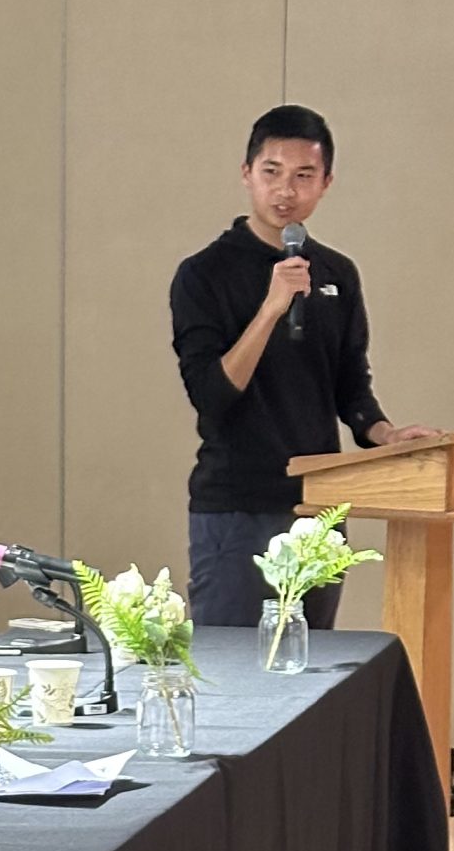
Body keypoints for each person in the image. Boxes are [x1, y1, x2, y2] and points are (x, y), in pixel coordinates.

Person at [170, 105, 436, 629]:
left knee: (307, 677)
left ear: (326, 183)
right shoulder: (204, 274)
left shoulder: (337, 273)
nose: (285, 190)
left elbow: (350, 387)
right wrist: (271, 307)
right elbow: (211, 395)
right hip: (237, 506)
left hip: (318, 506)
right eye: (271, 172)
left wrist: (384, 434)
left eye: (303, 176)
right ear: (247, 174)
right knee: (233, 676)